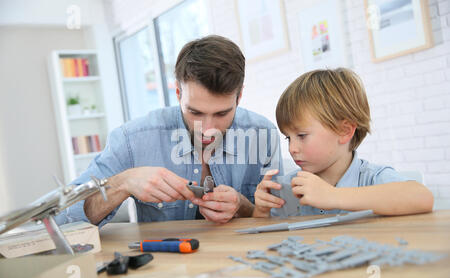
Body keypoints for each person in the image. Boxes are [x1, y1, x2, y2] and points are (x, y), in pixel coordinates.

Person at [55, 35, 282, 228]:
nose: (208, 129)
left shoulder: (263, 134)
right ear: (178, 93)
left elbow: (283, 222)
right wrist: (123, 182)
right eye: (195, 112)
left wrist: (242, 206)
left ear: (239, 97)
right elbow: (61, 218)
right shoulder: (133, 140)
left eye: (222, 114)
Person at [253, 68, 434, 217]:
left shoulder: (370, 178)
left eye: (301, 135)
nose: (292, 149)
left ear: (344, 131)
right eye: (288, 138)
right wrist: (260, 212)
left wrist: (333, 196)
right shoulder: (289, 186)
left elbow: (422, 197)